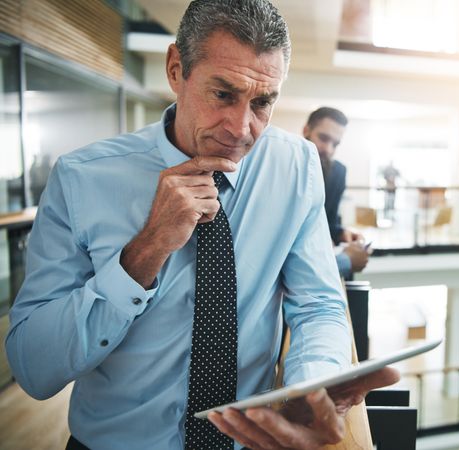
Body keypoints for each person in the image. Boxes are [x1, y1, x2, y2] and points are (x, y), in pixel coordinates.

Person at [5, 1, 397, 449]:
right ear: (177, 70)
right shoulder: (80, 179)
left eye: (262, 102)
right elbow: (33, 368)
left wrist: (313, 387)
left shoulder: (296, 166)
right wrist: (146, 250)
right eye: (223, 94)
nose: (241, 128)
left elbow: (317, 306)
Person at [303, 107, 369, 278]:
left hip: (323, 255)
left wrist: (341, 233)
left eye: (335, 144)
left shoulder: (338, 172)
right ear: (306, 131)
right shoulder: (283, 166)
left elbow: (329, 221)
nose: (328, 149)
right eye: (323, 138)